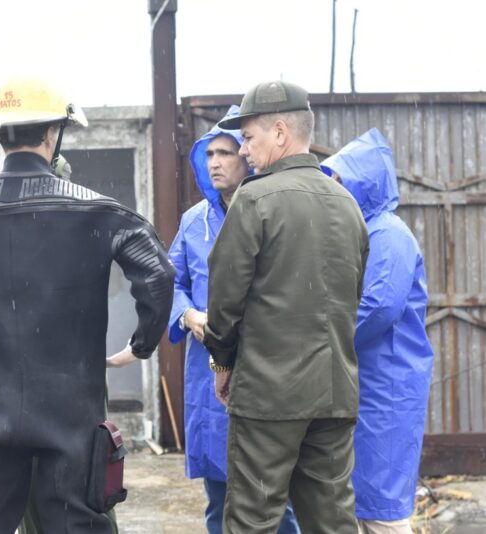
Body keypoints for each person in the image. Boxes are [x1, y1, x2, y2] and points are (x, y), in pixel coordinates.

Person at [0, 77, 175, 533]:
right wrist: (143, 343)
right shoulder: (102, 213)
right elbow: (158, 274)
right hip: (72, 420)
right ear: (53, 134)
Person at [202, 80, 369, 534]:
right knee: (332, 520)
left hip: (269, 396)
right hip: (335, 393)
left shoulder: (254, 199)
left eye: (249, 139)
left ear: (280, 132)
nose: (245, 151)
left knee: (253, 519)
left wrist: (222, 360)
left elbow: (225, 300)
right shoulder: (348, 203)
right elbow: (350, 295)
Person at [168, 105, 299, 534]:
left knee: (274, 496)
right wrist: (187, 314)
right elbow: (170, 282)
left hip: (264, 363)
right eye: (209, 155)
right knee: (219, 499)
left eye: (225, 153)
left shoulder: (274, 213)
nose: (215, 163)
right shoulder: (193, 223)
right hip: (207, 372)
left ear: (247, 154)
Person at [321, 128, 434, 534]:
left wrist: (321, 343)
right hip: (365, 379)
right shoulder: (361, 230)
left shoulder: (387, 233)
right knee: (361, 501)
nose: (333, 189)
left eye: (340, 180)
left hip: (385, 383)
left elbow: (379, 307)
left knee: (382, 509)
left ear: (363, 181)